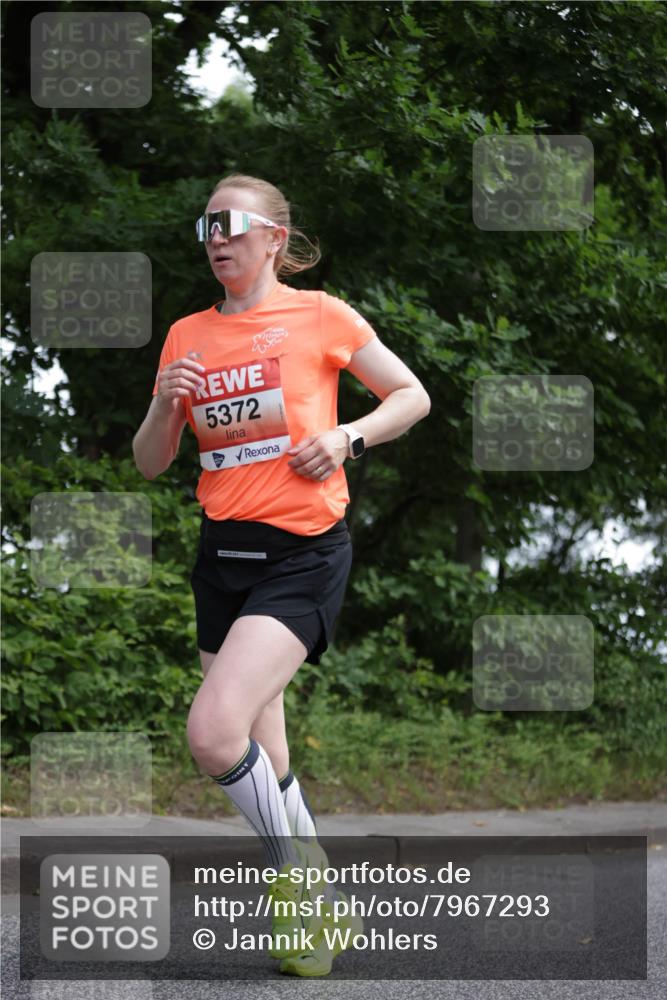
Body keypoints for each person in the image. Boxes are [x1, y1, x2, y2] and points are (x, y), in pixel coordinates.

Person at [132, 173, 431, 975]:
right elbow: (151, 461)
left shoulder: (321, 315)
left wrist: (345, 439)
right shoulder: (187, 333)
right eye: (205, 227)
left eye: (230, 223)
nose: (216, 239)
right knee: (267, 753)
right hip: (221, 557)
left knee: (212, 733)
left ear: (273, 237)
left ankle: (301, 878)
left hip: (302, 553)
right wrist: (164, 405)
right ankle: (316, 910)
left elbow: (411, 395)